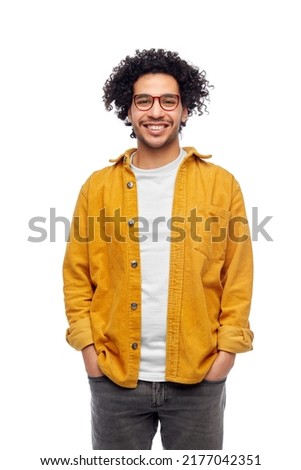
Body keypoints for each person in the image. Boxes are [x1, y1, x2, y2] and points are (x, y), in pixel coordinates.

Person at [63, 48, 254, 450]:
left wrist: (226, 356)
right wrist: (88, 352)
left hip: (199, 378)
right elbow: (76, 275)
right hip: (115, 379)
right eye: (143, 101)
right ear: (128, 111)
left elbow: (237, 276)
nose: (156, 111)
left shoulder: (222, 185)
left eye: (169, 101)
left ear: (185, 110)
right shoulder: (97, 187)